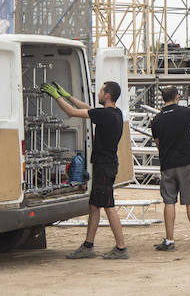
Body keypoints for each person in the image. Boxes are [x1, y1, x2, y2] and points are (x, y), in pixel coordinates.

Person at [41, 81, 129, 260]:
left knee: (109, 206)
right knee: (94, 205)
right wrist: (68, 96)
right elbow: (88, 109)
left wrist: (56, 97)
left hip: (104, 167)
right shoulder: (114, 113)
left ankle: (121, 248)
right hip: (106, 165)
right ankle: (88, 245)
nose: (98, 93)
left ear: (107, 95)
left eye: (101, 90)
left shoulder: (105, 115)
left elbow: (72, 112)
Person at [150, 86, 190, 251]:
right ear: (177, 96)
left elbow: (159, 146)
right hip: (187, 162)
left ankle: (170, 240)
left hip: (168, 164)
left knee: (169, 201)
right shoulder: (187, 112)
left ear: (163, 99)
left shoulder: (156, 119)